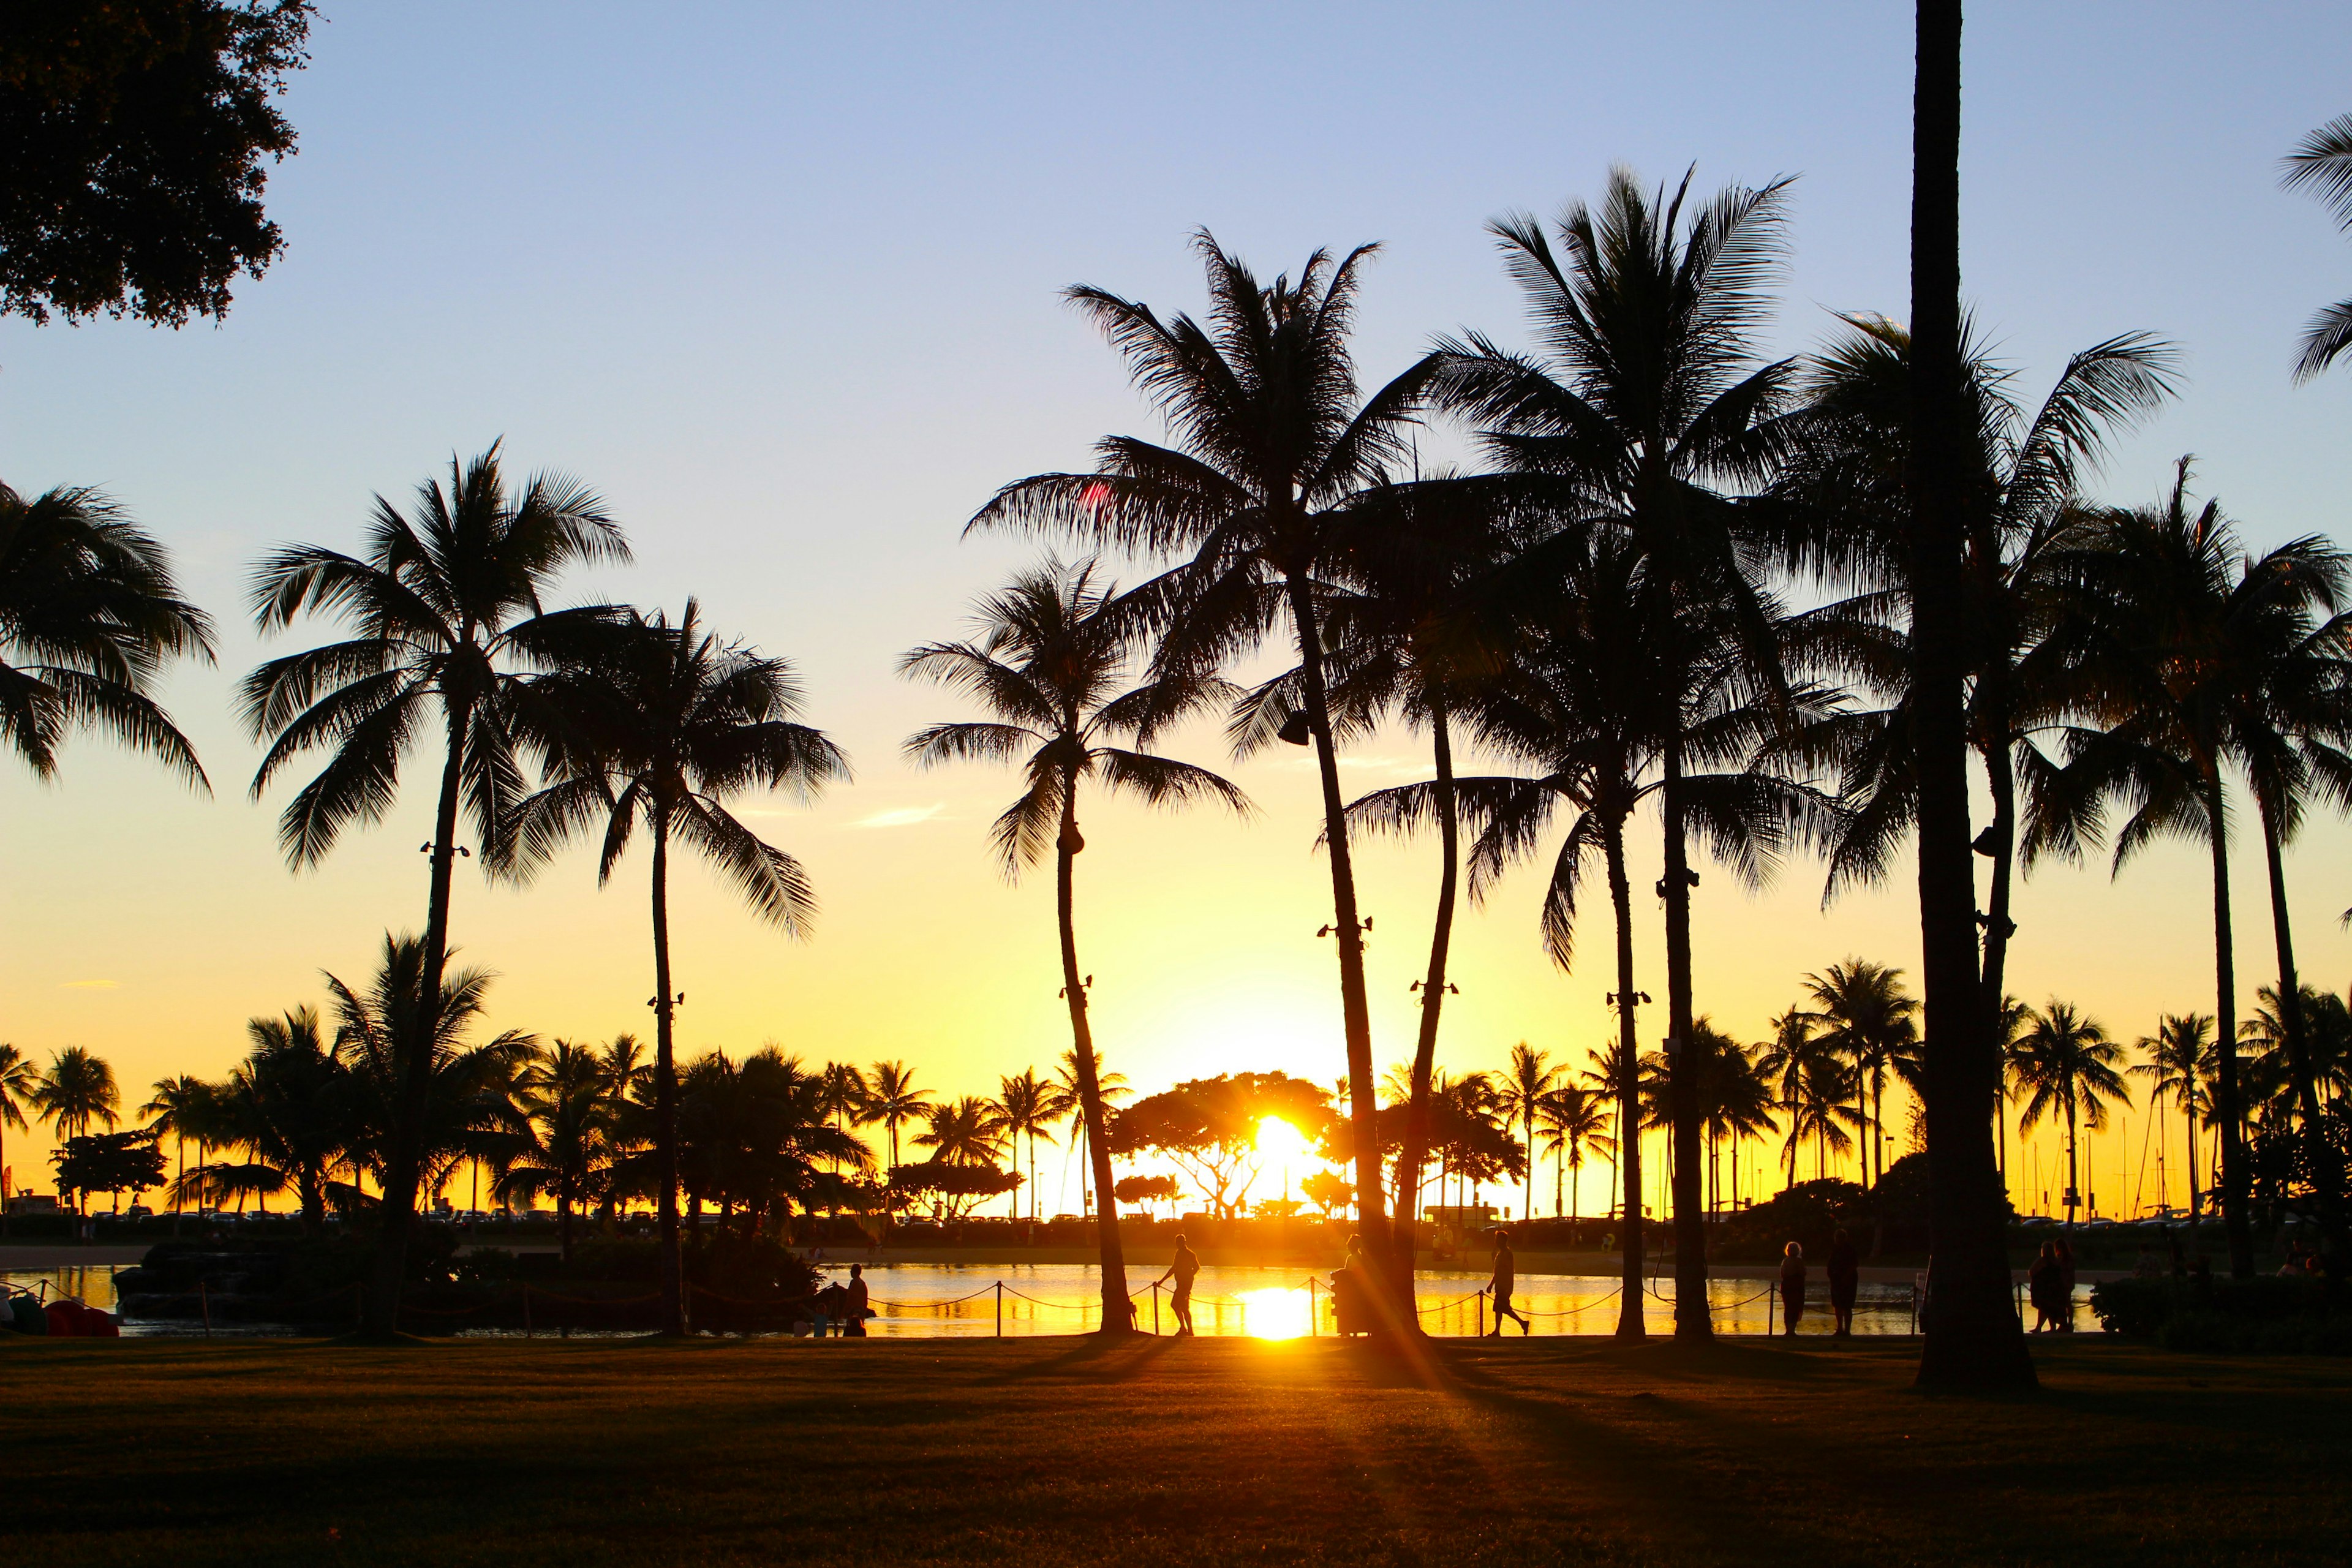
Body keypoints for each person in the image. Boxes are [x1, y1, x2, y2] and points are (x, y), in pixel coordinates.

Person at [1487, 1229, 1530, 1336]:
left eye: (1498, 1240)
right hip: (1500, 1285)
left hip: (1504, 1287)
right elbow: (1497, 1272)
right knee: (1499, 1309)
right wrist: (1491, 1284)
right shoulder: (1500, 1254)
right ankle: (1497, 1331)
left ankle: (1523, 1323)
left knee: (1505, 1309)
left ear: (1503, 1241)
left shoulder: (1507, 1254)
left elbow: (1509, 1271)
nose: (1496, 1242)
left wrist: (1507, 1288)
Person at [1156, 1232, 1200, 1336]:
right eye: (1177, 1242)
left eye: (1180, 1242)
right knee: (1182, 1307)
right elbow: (1174, 1269)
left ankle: (1186, 1329)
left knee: (1177, 1305)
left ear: (1184, 1242)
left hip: (1184, 1285)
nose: (1178, 1244)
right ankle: (1186, 1329)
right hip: (1181, 1284)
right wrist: (1162, 1281)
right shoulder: (1180, 1253)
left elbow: (1196, 1267)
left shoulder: (1189, 1254)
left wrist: (1189, 1276)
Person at [1826, 1226, 1860, 1338]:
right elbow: (1830, 1265)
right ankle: (1840, 1328)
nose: (1837, 1240)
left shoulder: (1850, 1250)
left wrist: (1846, 1277)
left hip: (1849, 1281)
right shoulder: (1835, 1250)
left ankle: (1847, 1330)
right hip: (1836, 1281)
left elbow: (1854, 1265)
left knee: (1847, 1306)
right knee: (1837, 1305)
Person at [2027, 1239, 2064, 1333]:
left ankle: (2039, 1327)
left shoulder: (2043, 1260)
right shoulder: (2056, 1261)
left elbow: (2031, 1272)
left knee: (2043, 1307)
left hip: (2042, 1288)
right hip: (2053, 1288)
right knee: (2049, 1308)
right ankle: (2051, 1328)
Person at [1779, 1242, 1806, 1336]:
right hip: (1796, 1286)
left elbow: (1782, 1274)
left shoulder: (1785, 1261)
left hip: (1786, 1285)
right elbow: (1803, 1273)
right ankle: (1792, 1330)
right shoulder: (1799, 1261)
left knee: (1788, 1308)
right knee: (1795, 1308)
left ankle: (1788, 1330)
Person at [2053, 1233, 2078, 1333]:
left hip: (2066, 1282)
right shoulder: (2065, 1257)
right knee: (2066, 1303)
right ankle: (2065, 1323)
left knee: (2067, 1303)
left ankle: (2068, 1323)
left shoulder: (2067, 1258)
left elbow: (2067, 1269)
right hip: (2066, 1282)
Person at [843, 1262, 870, 1338]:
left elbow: (850, 1297)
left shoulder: (854, 1282)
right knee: (860, 1327)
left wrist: (845, 1309)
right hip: (861, 1309)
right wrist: (864, 1309)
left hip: (853, 1308)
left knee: (851, 1327)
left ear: (854, 1272)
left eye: (851, 1271)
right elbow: (866, 1299)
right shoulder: (863, 1283)